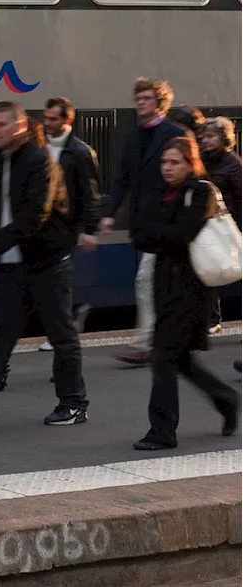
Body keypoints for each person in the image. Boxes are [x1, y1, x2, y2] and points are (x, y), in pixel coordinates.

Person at [0, 101, 87, 426]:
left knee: (61, 335)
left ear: (19, 126)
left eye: (0, 125)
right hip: (14, 263)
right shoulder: (1, 159)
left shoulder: (39, 160)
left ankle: (74, 403)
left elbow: (36, 213)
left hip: (47, 261)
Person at [130, 136, 240, 450]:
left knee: (163, 357)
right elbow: (139, 235)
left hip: (193, 289)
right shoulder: (160, 193)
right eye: (165, 162)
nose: (168, 168)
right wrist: (163, 234)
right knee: (181, 360)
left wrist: (158, 234)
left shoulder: (201, 191)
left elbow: (183, 235)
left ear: (190, 163)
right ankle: (227, 399)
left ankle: (162, 432)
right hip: (165, 285)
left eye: (175, 162)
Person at [100, 78, 187, 367]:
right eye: (138, 98)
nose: (140, 103)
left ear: (160, 102)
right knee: (162, 282)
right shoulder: (133, 137)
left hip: (169, 222)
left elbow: (190, 176)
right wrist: (110, 212)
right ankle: (169, 340)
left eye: (146, 98)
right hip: (145, 224)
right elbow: (122, 178)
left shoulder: (176, 134)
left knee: (146, 279)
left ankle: (145, 343)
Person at [37, 97, 102, 353]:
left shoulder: (80, 152)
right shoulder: (39, 147)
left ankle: (60, 333)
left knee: (56, 282)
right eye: (46, 118)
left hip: (66, 227)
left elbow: (90, 192)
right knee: (46, 281)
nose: (47, 123)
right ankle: (72, 313)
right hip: (41, 225)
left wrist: (89, 229)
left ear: (68, 120)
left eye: (53, 119)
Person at [196, 117, 243, 337]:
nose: (205, 140)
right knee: (209, 271)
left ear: (224, 138)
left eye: (211, 136)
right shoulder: (202, 160)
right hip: (211, 228)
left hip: (232, 228)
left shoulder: (233, 165)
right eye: (203, 136)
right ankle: (211, 320)